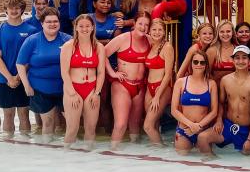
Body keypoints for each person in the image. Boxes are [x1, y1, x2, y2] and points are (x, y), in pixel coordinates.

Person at [16, 7, 71, 142]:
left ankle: (70, 153)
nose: (52, 24)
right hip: (41, 89)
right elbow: (20, 64)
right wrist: (26, 86)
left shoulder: (68, 40)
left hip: (65, 88)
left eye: (55, 21)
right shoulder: (32, 40)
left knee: (71, 122)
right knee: (48, 123)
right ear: (42, 24)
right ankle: (47, 151)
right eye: (48, 22)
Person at [198, 45, 250, 158]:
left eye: (244, 57)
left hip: (245, 130)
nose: (240, 61)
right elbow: (221, 103)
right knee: (202, 138)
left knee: (247, 157)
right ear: (232, 60)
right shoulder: (225, 80)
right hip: (228, 125)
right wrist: (219, 120)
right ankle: (214, 165)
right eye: (237, 57)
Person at [104, 12, 152, 150]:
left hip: (140, 86)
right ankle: (112, 153)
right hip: (122, 85)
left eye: (146, 25)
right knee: (120, 124)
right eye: (140, 24)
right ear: (134, 24)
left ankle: (132, 161)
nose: (143, 27)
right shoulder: (123, 38)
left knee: (135, 125)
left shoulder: (149, 40)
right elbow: (103, 54)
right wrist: (112, 72)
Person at [0, 0, 38, 136]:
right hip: (3, 79)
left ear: (22, 10)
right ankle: (8, 145)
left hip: (24, 79)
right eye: (11, 7)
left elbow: (31, 57)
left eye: (17, 8)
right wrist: (9, 78)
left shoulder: (31, 30)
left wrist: (18, 77)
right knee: (8, 114)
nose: (14, 10)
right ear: (6, 9)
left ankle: (25, 145)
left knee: (24, 114)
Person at [59, 14, 105, 150]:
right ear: (76, 28)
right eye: (81, 26)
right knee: (72, 129)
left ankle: (88, 163)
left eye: (87, 26)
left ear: (93, 27)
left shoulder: (99, 47)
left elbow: (101, 72)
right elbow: (64, 72)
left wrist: (97, 93)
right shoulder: (69, 46)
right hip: (73, 89)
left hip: (91, 90)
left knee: (91, 130)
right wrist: (72, 94)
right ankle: (67, 160)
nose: (84, 29)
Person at [171, 50, 218, 154]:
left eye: (202, 62)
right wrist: (191, 125)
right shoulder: (181, 82)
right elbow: (174, 110)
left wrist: (199, 126)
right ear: (191, 63)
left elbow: (214, 111)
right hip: (184, 130)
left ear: (206, 65)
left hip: (203, 131)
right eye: (195, 62)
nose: (199, 65)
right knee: (182, 162)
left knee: (207, 160)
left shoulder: (211, 84)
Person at [144, 18, 175, 145]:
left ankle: (162, 152)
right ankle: (155, 153)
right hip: (149, 87)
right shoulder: (151, 45)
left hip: (162, 87)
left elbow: (168, 74)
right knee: (154, 125)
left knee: (147, 126)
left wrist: (157, 96)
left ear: (164, 32)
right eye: (154, 30)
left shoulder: (167, 47)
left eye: (160, 30)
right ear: (150, 31)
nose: (157, 32)